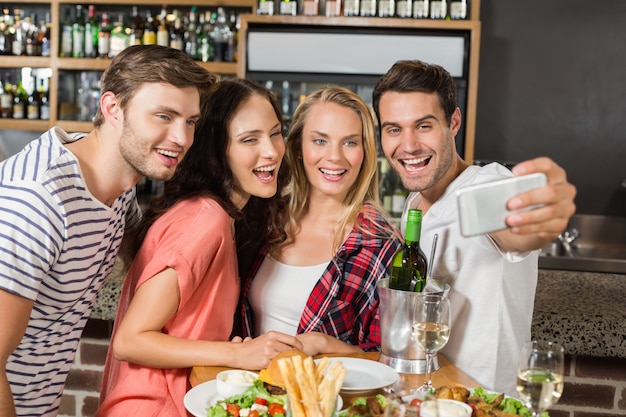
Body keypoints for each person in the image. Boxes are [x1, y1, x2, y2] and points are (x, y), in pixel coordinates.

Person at [0, 45, 217, 417]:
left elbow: (144, 246)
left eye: (190, 121)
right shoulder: (37, 201)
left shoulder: (117, 183)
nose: (181, 138)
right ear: (112, 108)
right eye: (163, 116)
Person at [96, 78, 302, 417]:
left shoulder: (222, 215)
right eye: (249, 139)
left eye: (275, 133)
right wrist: (237, 354)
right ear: (215, 151)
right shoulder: (204, 221)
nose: (271, 151)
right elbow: (130, 340)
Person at [372, 59, 577, 395]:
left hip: (487, 404)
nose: (407, 146)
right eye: (394, 129)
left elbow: (519, 233)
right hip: (432, 398)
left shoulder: (484, 187)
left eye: (423, 126)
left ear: (453, 123)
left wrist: (545, 217)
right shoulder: (415, 203)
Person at [237, 86, 403, 355]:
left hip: (327, 396)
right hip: (249, 391)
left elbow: (391, 361)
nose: (335, 157)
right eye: (320, 141)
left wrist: (323, 344)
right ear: (299, 147)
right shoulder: (264, 216)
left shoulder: (382, 246)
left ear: (365, 153)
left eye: (350, 142)